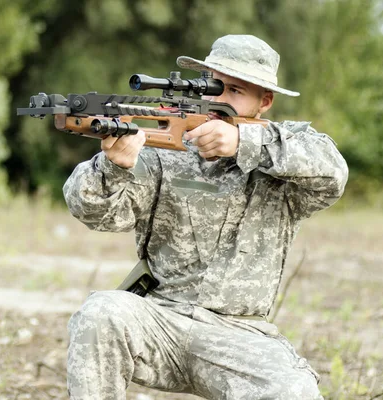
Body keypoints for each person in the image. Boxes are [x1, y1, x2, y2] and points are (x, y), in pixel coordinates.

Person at [63, 34, 348, 400]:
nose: (217, 98)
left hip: (240, 336)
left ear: (265, 100)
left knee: (295, 390)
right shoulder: (165, 152)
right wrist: (113, 166)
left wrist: (243, 143)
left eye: (233, 90)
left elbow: (333, 174)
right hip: (160, 322)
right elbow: (96, 214)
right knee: (101, 312)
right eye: (211, 85)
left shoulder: (282, 155)